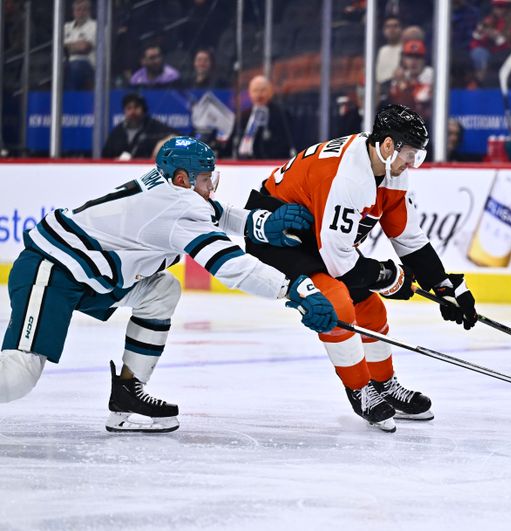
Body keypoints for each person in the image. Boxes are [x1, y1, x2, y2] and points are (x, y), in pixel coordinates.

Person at [0, 137, 337, 433]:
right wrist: (293, 288)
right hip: (52, 271)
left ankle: (128, 393)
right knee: (18, 376)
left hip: (88, 276)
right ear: (182, 180)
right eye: (206, 179)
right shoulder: (180, 206)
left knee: (161, 290)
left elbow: (215, 212)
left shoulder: (168, 189)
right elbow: (229, 264)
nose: (211, 187)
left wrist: (259, 223)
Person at [242, 104, 479, 433]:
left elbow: (407, 235)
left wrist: (442, 285)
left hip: (314, 229)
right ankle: (359, 389)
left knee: (370, 309)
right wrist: (390, 277)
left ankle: (384, 385)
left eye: (418, 156)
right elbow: (340, 263)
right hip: (276, 233)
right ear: (386, 146)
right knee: (336, 302)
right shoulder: (350, 178)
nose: (412, 164)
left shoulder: (389, 167)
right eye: (410, 154)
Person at [232, 75, 294, 160]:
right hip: (242, 162)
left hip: (269, 162)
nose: (259, 94)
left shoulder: (281, 114)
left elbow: (284, 143)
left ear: (271, 92)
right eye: (255, 91)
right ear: (249, 93)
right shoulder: (243, 116)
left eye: (263, 90)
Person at [102, 93, 175, 160]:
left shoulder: (154, 126)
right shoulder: (117, 132)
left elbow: (175, 137)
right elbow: (105, 156)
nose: (132, 112)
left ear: (143, 109)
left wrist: (165, 143)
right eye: (129, 108)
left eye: (136, 107)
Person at [470, 0, 511, 86]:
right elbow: (474, 45)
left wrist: (498, 39)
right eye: (496, 7)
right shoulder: (487, 21)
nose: (499, 10)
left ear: (508, 8)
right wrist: (480, 35)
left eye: (502, 7)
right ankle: (481, 80)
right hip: (489, 56)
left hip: (506, 56)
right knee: (478, 52)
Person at [387, 40, 434, 122]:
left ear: (424, 59)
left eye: (418, 57)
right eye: (410, 56)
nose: (413, 61)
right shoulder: (398, 79)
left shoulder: (432, 77)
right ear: (403, 60)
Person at [63, 0, 96, 90]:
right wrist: (76, 46)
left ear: (89, 11)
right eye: (78, 10)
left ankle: (70, 98)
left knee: (76, 65)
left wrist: (67, 47)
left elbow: (84, 47)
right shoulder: (66, 27)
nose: (81, 13)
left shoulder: (95, 26)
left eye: (84, 9)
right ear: (73, 12)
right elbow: (58, 47)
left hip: (88, 66)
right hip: (66, 63)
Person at [376, 17, 403, 85]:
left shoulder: (405, 50)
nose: (392, 30)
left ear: (401, 29)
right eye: (388, 27)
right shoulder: (381, 51)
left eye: (395, 26)